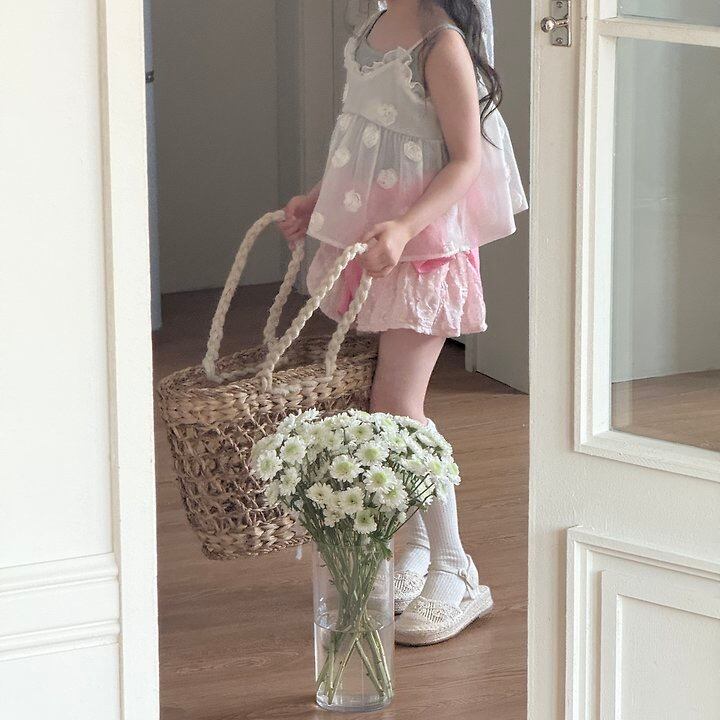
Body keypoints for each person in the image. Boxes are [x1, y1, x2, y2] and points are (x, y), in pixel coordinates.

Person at [278, 0, 526, 645]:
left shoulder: (441, 44)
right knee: (386, 405)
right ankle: (417, 549)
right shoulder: (372, 27)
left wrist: (406, 227)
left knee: (397, 405)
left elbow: (465, 160)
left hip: (422, 253)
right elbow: (360, 140)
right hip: (375, 248)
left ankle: (457, 567)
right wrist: (317, 200)